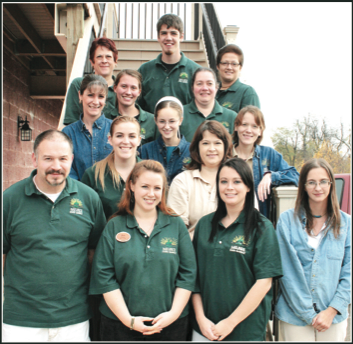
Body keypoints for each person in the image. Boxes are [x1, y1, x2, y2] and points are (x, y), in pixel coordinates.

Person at [2, 130, 106, 342]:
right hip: (21, 321)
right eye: (48, 158)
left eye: (63, 159)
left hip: (74, 319)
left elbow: (94, 253)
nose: (56, 166)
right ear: (34, 159)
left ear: (72, 160)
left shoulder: (89, 199)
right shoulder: (10, 200)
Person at [89, 160, 197, 341]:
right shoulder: (114, 225)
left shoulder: (176, 225)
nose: (151, 193)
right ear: (132, 186)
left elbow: (188, 274)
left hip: (170, 326)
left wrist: (173, 314)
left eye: (157, 188)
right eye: (145, 186)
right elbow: (104, 276)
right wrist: (128, 320)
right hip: (119, 325)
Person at [191, 158, 283, 341]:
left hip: (245, 330)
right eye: (223, 181)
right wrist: (201, 319)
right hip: (205, 329)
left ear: (248, 186)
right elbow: (194, 279)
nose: (229, 187)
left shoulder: (262, 228)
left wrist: (230, 322)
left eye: (237, 181)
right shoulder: (204, 225)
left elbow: (264, 283)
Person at [275, 158, 351, 342]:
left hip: (333, 318)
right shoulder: (287, 221)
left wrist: (332, 311)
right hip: (294, 317)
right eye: (312, 182)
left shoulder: (347, 223)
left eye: (323, 181)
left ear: (331, 184)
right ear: (303, 186)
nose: (318, 187)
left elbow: (349, 272)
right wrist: (309, 314)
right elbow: (287, 272)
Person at [168, 120, 233, 239]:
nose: (211, 149)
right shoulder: (183, 181)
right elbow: (176, 229)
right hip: (194, 251)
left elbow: (249, 220)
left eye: (217, 143)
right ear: (197, 147)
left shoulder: (237, 180)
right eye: (205, 143)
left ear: (225, 147)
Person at [233, 105, 299, 218]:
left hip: (258, 222)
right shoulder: (225, 156)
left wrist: (271, 176)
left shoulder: (269, 155)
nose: (248, 130)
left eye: (254, 126)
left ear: (260, 131)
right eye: (244, 124)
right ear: (236, 127)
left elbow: (296, 176)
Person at [138, 14, 201, 113]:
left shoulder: (195, 71)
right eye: (164, 33)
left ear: (181, 36)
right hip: (152, 128)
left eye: (173, 33)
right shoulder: (145, 70)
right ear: (158, 37)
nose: (168, 38)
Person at [81, 116, 142, 220]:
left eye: (132, 136)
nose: (126, 141)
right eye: (119, 136)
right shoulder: (93, 175)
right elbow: (84, 217)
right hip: (105, 235)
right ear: (110, 139)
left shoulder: (150, 173)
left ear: (139, 140)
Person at [62, 74, 113, 181]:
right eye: (90, 95)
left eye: (101, 96)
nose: (95, 102)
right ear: (80, 95)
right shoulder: (68, 133)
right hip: (79, 195)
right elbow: (67, 169)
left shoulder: (115, 129)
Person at [63, 37, 118, 125]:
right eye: (99, 57)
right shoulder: (78, 84)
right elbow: (71, 122)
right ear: (92, 62)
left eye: (108, 57)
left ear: (115, 61)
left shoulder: (122, 89)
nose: (104, 61)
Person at [139, 96, 190, 184]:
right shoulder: (145, 150)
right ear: (155, 120)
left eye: (172, 121)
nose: (166, 126)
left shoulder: (192, 151)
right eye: (162, 121)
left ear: (180, 120)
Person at [180, 67, 237, 142]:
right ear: (192, 88)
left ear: (216, 87)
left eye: (209, 83)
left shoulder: (232, 117)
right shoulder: (180, 114)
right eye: (199, 84)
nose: (204, 88)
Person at [109, 69, 157, 146]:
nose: (128, 92)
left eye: (133, 88)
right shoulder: (106, 118)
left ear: (139, 92)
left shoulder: (152, 122)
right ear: (115, 88)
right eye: (124, 86)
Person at [216, 44, 260, 113]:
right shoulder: (211, 91)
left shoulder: (247, 93)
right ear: (218, 66)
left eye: (234, 64)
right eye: (225, 63)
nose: (229, 67)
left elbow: (252, 122)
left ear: (240, 67)